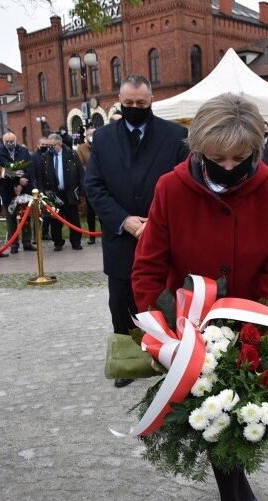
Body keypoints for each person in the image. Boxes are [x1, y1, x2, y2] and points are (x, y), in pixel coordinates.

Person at [131, 93, 268, 501]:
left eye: (238, 158)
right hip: (188, 327)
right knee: (210, 412)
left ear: (256, 151)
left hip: (252, 322)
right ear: (199, 148)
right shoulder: (171, 188)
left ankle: (236, 492)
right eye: (217, 157)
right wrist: (161, 330)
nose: (227, 167)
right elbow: (148, 265)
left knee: (245, 409)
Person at [85, 74, 189, 389]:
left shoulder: (175, 136)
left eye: (140, 104)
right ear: (120, 100)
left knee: (167, 298)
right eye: (128, 103)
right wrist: (124, 220)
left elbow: (184, 183)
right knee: (121, 303)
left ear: (151, 101)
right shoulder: (103, 138)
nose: (134, 108)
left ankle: (171, 357)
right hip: (120, 237)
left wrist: (155, 223)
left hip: (162, 236)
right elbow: (93, 186)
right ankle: (128, 362)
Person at [36, 133, 84, 252]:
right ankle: (57, 242)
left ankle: (76, 241)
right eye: (47, 146)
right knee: (55, 220)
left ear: (59, 144)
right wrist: (43, 192)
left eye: (51, 145)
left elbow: (80, 173)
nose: (49, 148)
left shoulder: (71, 154)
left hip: (69, 192)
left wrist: (82, 191)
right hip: (53, 194)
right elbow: (40, 176)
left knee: (73, 219)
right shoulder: (45, 157)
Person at [0, 132, 35, 253]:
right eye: (7, 141)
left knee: (25, 216)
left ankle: (27, 242)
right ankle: (13, 245)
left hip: (24, 188)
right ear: (3, 141)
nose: (10, 144)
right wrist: (16, 179)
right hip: (7, 190)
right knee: (11, 218)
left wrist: (22, 182)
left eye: (12, 141)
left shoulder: (23, 150)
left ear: (16, 141)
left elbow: (30, 167)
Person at [76, 127, 98, 245]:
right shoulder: (81, 148)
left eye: (94, 134)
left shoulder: (101, 145)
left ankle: (105, 234)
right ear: (85, 136)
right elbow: (80, 165)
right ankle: (92, 236)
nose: (92, 136)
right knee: (90, 211)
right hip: (89, 182)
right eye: (89, 134)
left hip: (102, 182)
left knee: (102, 211)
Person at [31, 137, 54, 241]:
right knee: (38, 213)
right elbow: (33, 173)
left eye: (46, 144)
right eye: (42, 144)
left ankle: (45, 232)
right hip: (38, 188)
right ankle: (36, 236)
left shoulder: (50, 156)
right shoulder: (34, 157)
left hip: (49, 187)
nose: (45, 146)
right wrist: (37, 188)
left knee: (48, 212)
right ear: (38, 144)